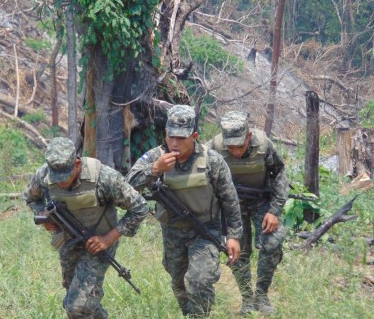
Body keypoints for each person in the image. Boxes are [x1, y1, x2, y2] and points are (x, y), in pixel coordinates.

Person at [126, 105, 242, 317]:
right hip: (173, 232)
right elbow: (128, 185)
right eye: (171, 137)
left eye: (181, 138)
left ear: (194, 136)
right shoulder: (156, 156)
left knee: (199, 280)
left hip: (206, 230)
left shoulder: (212, 160)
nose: (174, 143)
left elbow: (230, 200)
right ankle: (191, 313)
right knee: (179, 283)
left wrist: (234, 236)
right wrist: (154, 170)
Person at [23, 136, 149, 319]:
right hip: (68, 241)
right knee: (74, 299)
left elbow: (140, 207)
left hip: (98, 244)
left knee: (77, 306)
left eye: (65, 176)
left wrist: (109, 238)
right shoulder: (43, 176)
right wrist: (44, 216)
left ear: (76, 163)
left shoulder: (104, 178)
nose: (61, 183)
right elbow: (31, 198)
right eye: (56, 178)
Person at [207, 111, 288, 314]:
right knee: (237, 251)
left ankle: (261, 295)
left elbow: (279, 173)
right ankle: (247, 299)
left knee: (273, 243)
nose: (234, 151)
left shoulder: (263, 144)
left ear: (249, 136)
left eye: (240, 146)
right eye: (230, 147)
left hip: (261, 201)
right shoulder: (213, 147)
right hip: (231, 206)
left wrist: (275, 210)